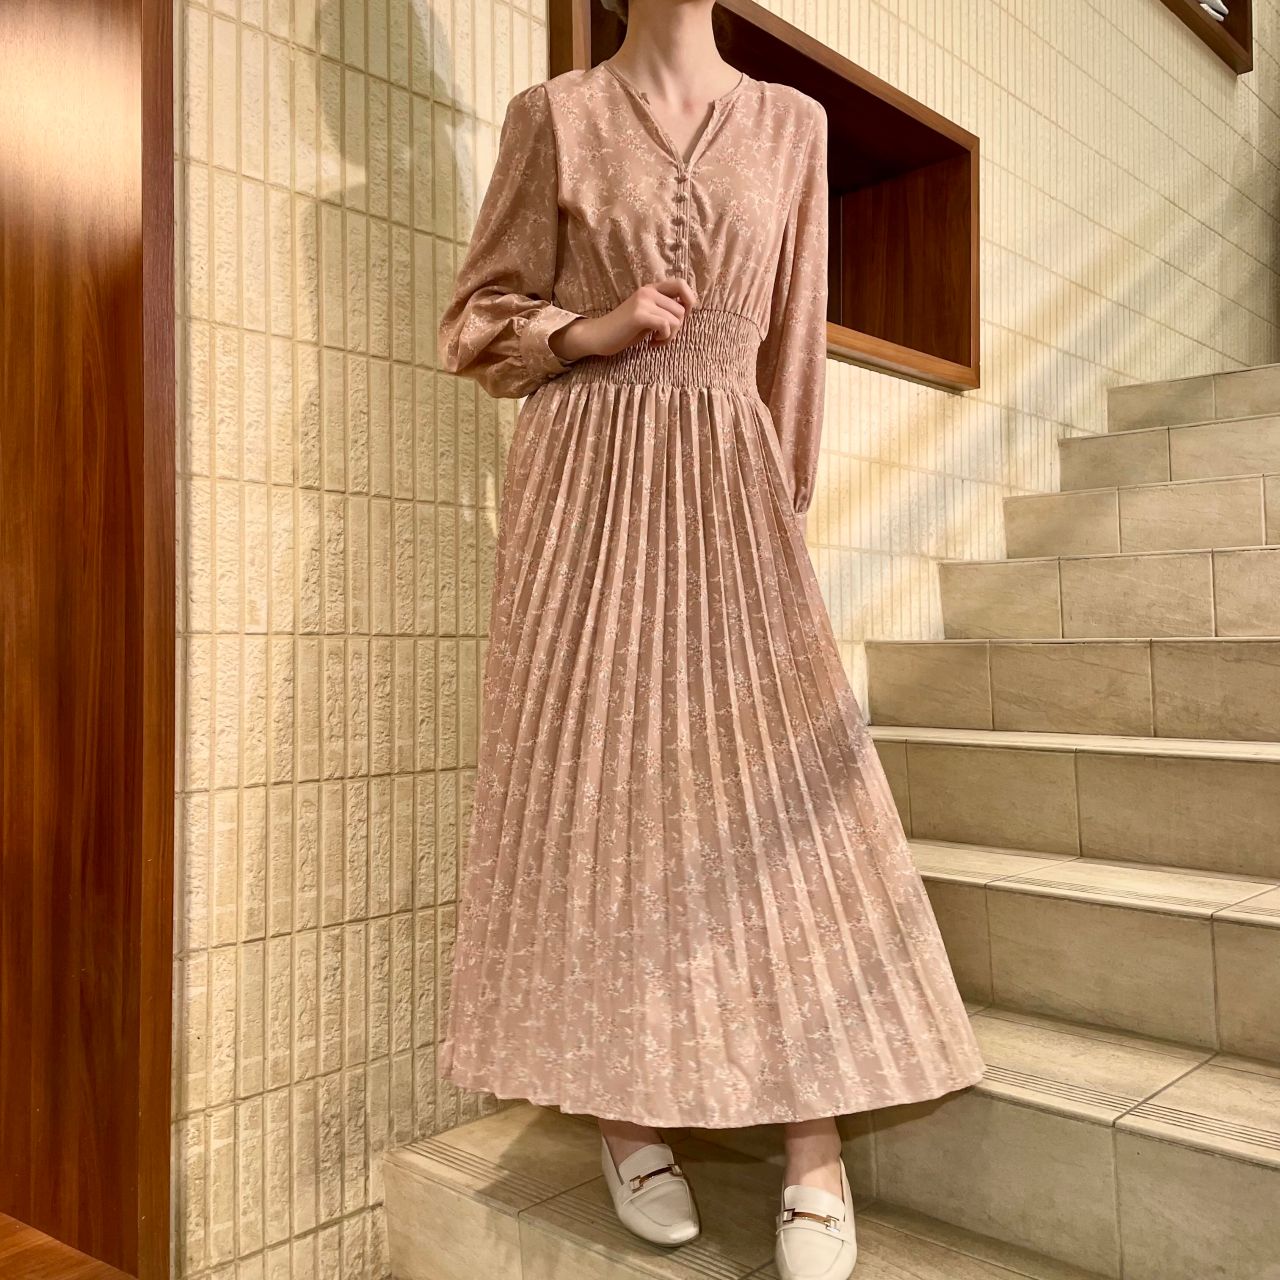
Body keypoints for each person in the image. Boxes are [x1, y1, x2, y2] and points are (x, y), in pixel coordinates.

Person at [434, 3, 986, 1276]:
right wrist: (586, 329)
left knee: (774, 793)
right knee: (595, 790)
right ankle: (623, 1114)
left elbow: (791, 339)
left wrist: (778, 499)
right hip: (581, 479)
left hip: (727, 473)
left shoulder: (792, 123)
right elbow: (473, 320)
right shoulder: (553, 115)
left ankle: (813, 1134)